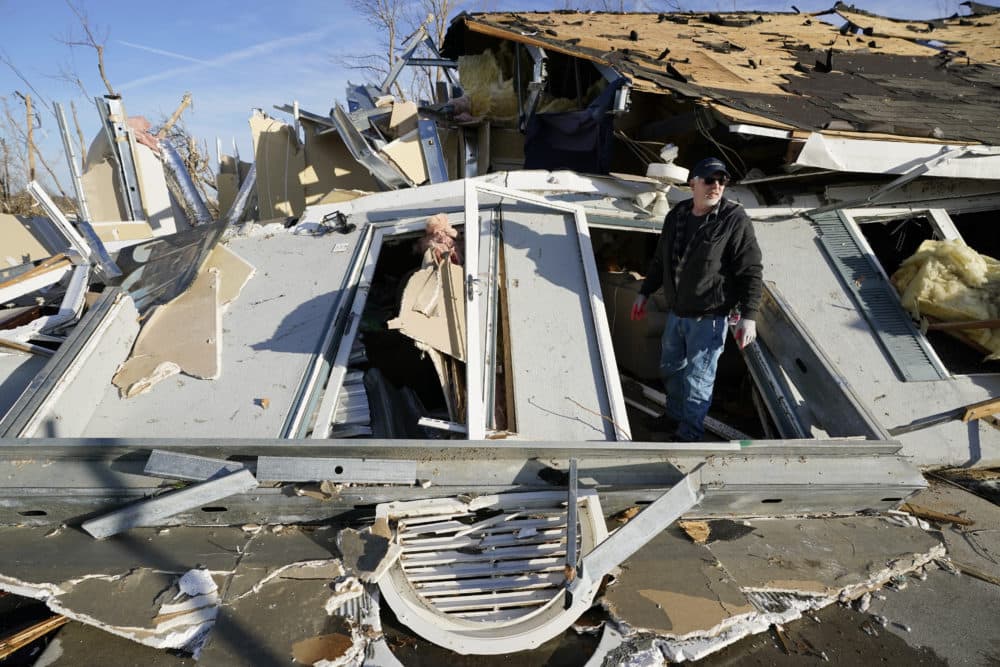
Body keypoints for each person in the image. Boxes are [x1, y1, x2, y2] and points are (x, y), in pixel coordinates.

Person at [630, 157, 763, 441]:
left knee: (698, 380)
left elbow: (751, 270)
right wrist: (644, 292)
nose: (716, 186)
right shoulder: (677, 215)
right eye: (709, 179)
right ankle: (674, 417)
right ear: (693, 183)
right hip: (677, 313)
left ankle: (689, 434)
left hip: (710, 318)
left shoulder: (733, 219)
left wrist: (749, 317)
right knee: (670, 369)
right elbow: (660, 261)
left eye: (722, 180)